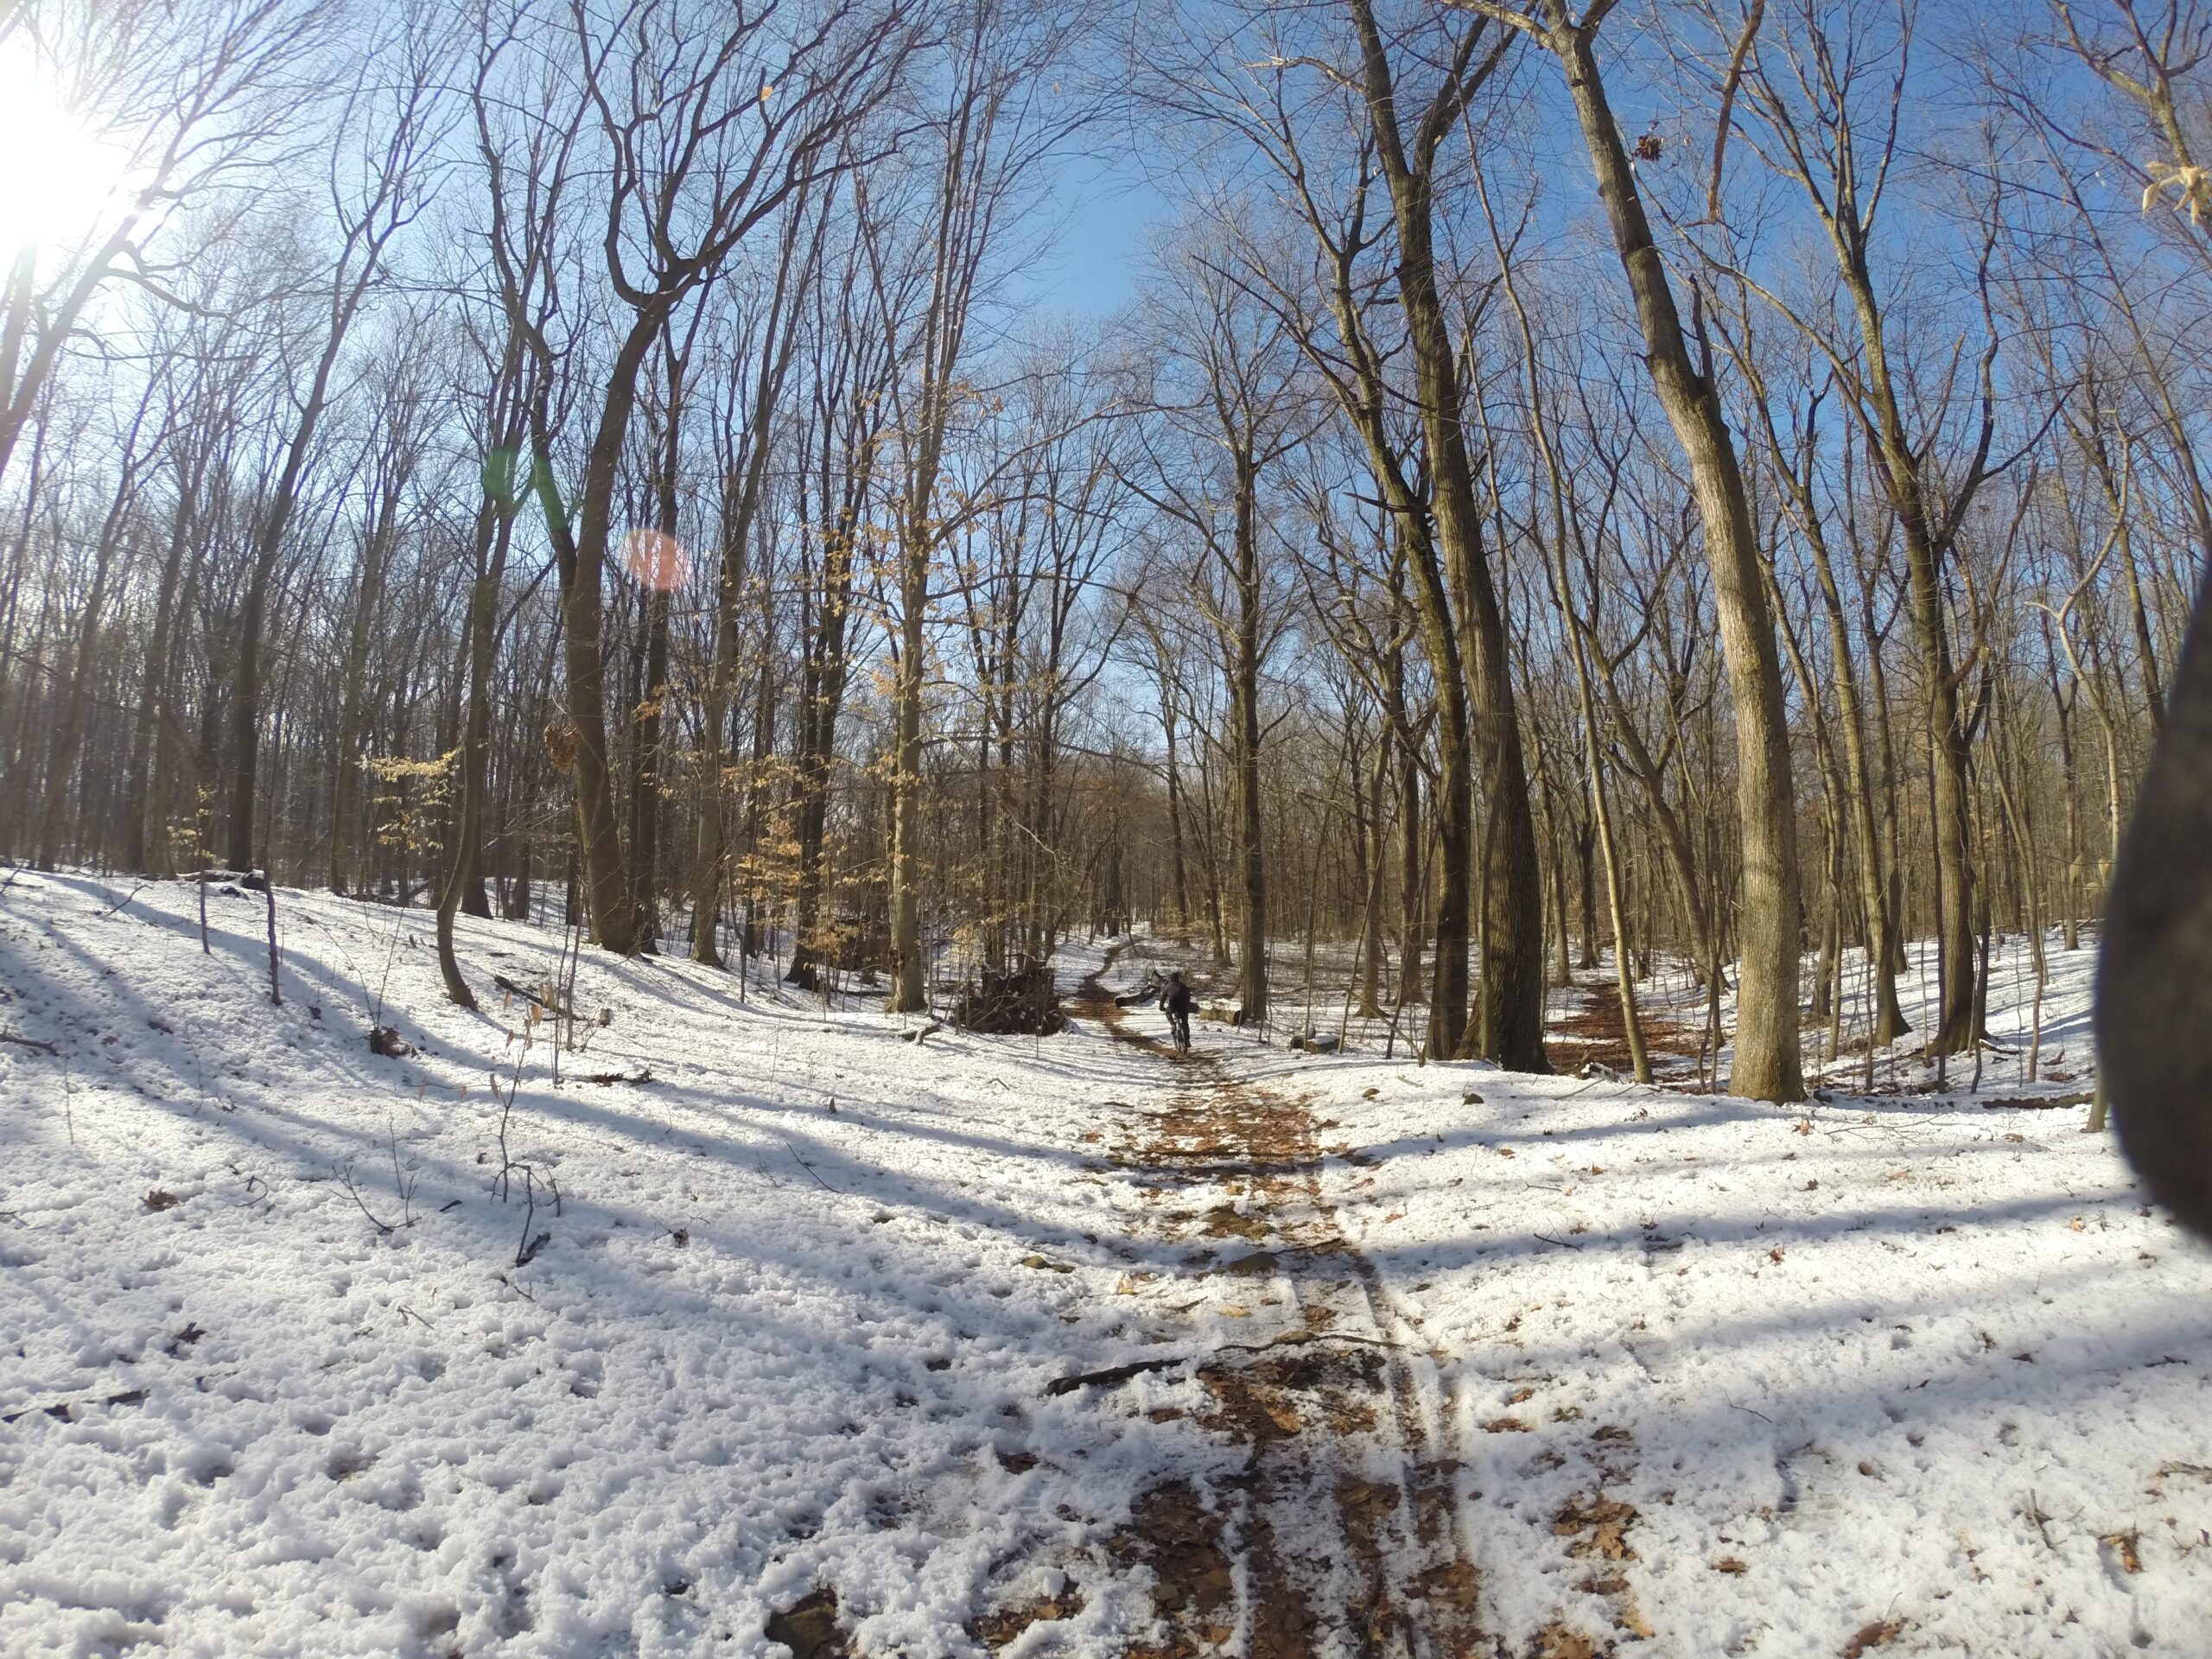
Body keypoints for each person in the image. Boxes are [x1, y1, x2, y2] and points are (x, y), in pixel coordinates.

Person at [1160, 969, 1195, 1054]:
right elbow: (1188, 997)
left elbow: (1162, 999)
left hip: (1173, 1006)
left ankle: (1173, 1025)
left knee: (1168, 1013)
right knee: (1185, 1023)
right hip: (1183, 1007)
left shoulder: (1167, 986)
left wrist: (1161, 1007)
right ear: (1178, 979)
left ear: (1171, 979)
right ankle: (1186, 1041)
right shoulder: (1184, 986)